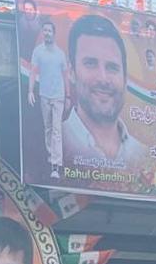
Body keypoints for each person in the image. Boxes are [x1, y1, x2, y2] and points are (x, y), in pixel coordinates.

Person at [61, 14, 147, 175]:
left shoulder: (143, 157)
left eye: (112, 67)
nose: (103, 78)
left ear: (125, 78)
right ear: (71, 71)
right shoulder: (56, 143)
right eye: (91, 64)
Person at [27, 19, 69, 180]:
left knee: (57, 129)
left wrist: (68, 96)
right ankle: (52, 155)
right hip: (44, 94)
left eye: (49, 31)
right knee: (48, 128)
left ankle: (55, 165)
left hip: (58, 95)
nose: (47, 33)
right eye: (44, 30)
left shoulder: (60, 54)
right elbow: (33, 71)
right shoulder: (38, 52)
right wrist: (30, 91)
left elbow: (65, 76)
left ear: (54, 33)